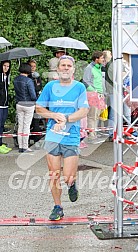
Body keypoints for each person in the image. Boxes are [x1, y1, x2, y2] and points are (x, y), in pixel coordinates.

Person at [36, 55, 89, 220]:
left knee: (68, 176)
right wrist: (53, 114)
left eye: (68, 66)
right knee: (53, 174)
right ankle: (57, 206)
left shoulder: (79, 87)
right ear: (58, 69)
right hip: (53, 135)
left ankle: (72, 185)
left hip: (71, 135)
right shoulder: (50, 86)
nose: (65, 68)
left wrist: (65, 119)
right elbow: (38, 108)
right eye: (63, 65)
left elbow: (84, 111)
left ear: (73, 70)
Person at [14, 63, 37, 153]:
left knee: (20, 125)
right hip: (28, 105)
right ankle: (25, 146)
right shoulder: (28, 81)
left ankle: (20, 147)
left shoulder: (15, 79)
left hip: (19, 104)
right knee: (26, 126)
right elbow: (33, 95)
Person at [83, 51, 104, 141]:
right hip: (93, 94)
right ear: (96, 59)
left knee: (97, 114)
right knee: (92, 115)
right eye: (102, 58)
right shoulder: (89, 68)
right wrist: (93, 91)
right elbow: (85, 81)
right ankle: (91, 134)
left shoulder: (99, 68)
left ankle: (94, 132)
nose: (103, 60)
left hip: (100, 94)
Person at [28, 59, 43, 146]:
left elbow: (39, 87)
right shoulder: (28, 77)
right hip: (30, 100)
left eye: (34, 66)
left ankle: (37, 139)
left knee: (37, 119)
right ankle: (30, 137)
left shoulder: (37, 76)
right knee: (30, 120)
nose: (33, 68)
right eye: (31, 66)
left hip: (37, 100)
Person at [0, 60, 12, 154]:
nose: (6, 68)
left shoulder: (6, 77)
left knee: (2, 125)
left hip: (5, 104)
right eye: (4, 66)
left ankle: (1, 143)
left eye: (8, 66)